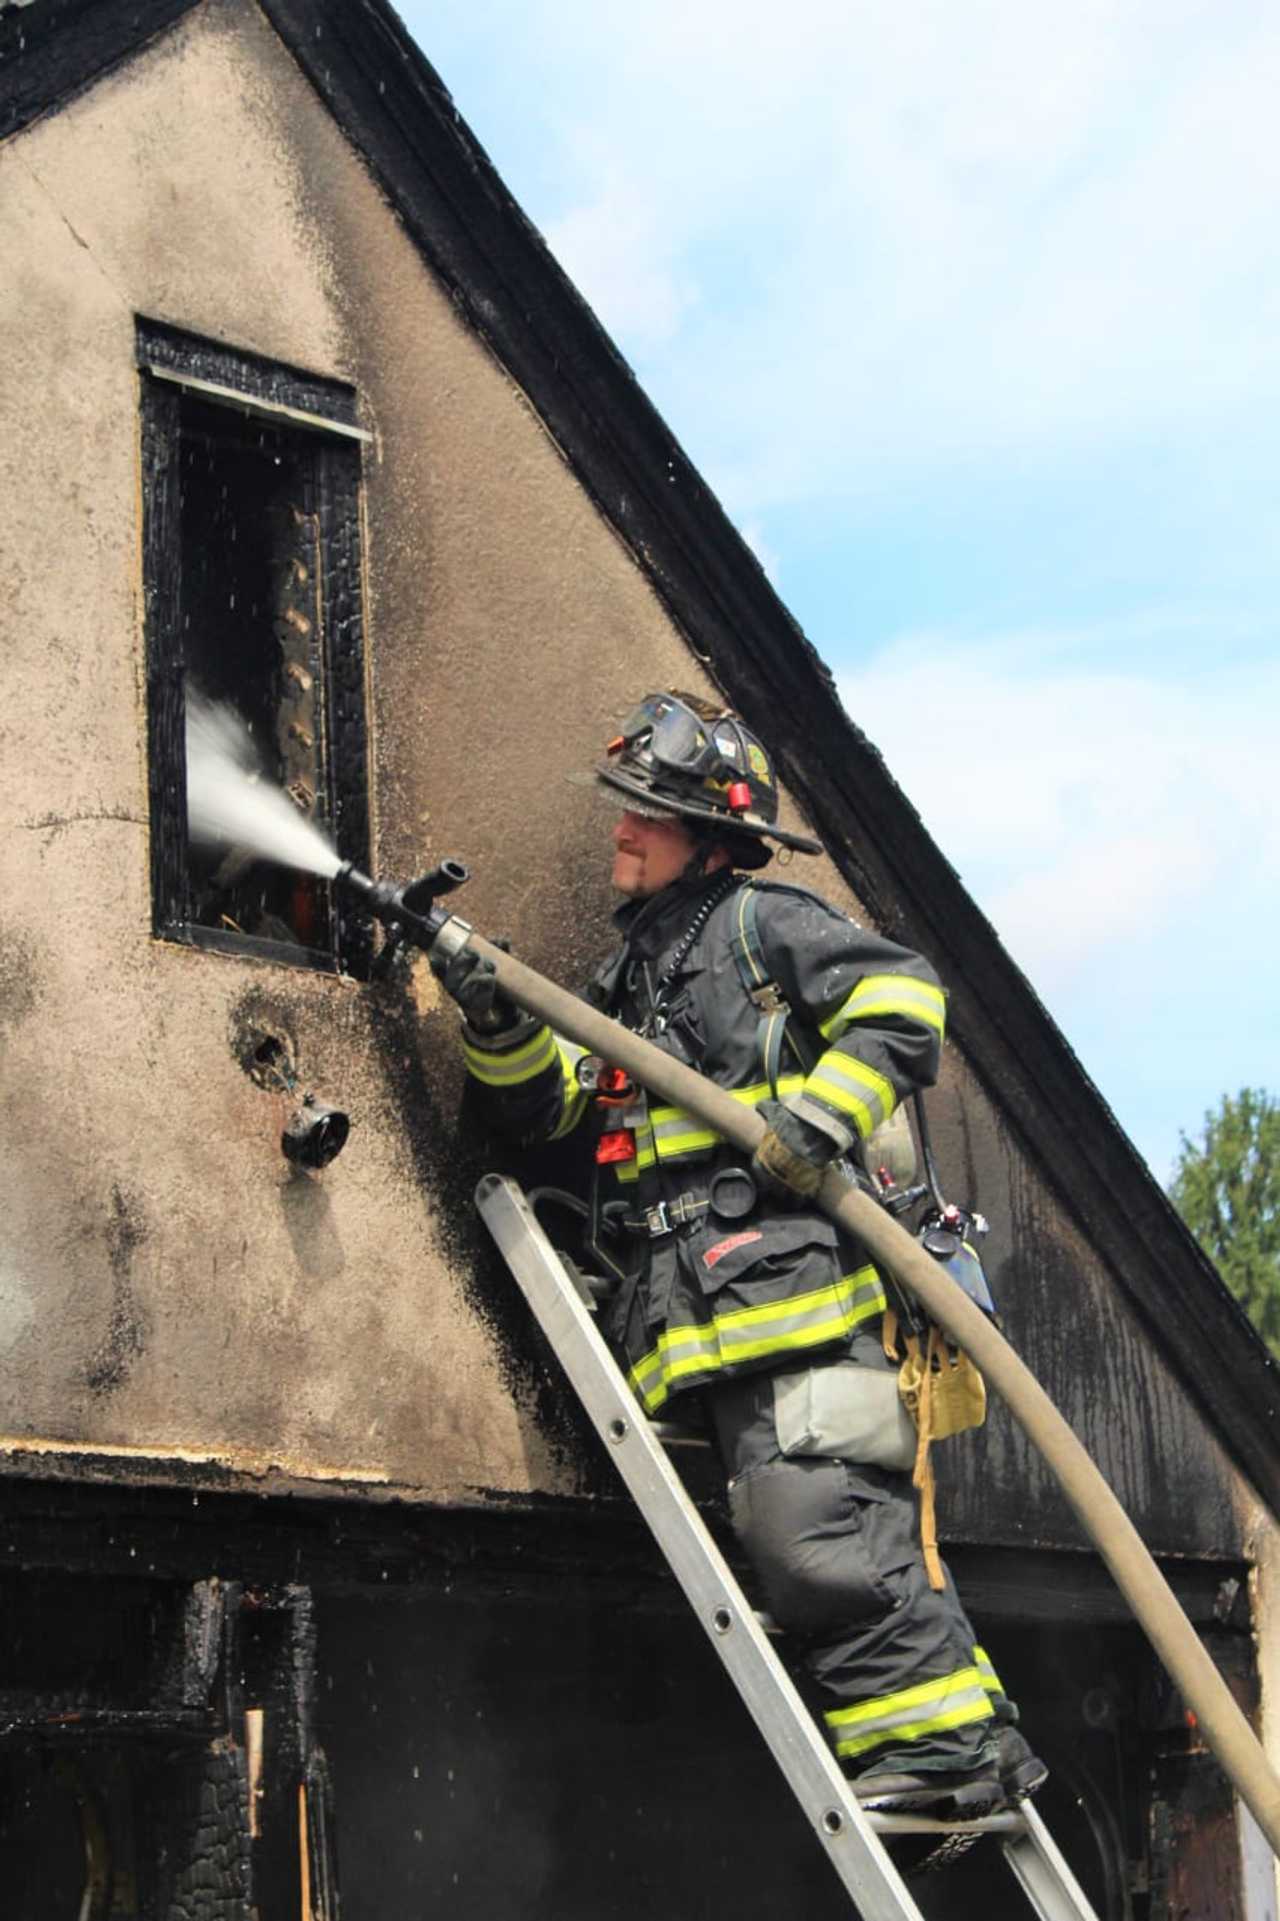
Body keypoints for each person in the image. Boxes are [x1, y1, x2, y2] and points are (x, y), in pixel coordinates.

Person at [436, 690, 1044, 1815]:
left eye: (647, 816)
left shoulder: (764, 926)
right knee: (803, 1539)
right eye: (624, 809)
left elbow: (905, 996)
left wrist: (816, 1119)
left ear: (709, 839)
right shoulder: (632, 976)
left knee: (821, 1537)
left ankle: (952, 1759)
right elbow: (553, 1114)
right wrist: (497, 1022)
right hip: (708, 1322)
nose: (622, 830)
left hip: (796, 1303)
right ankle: (965, 1750)